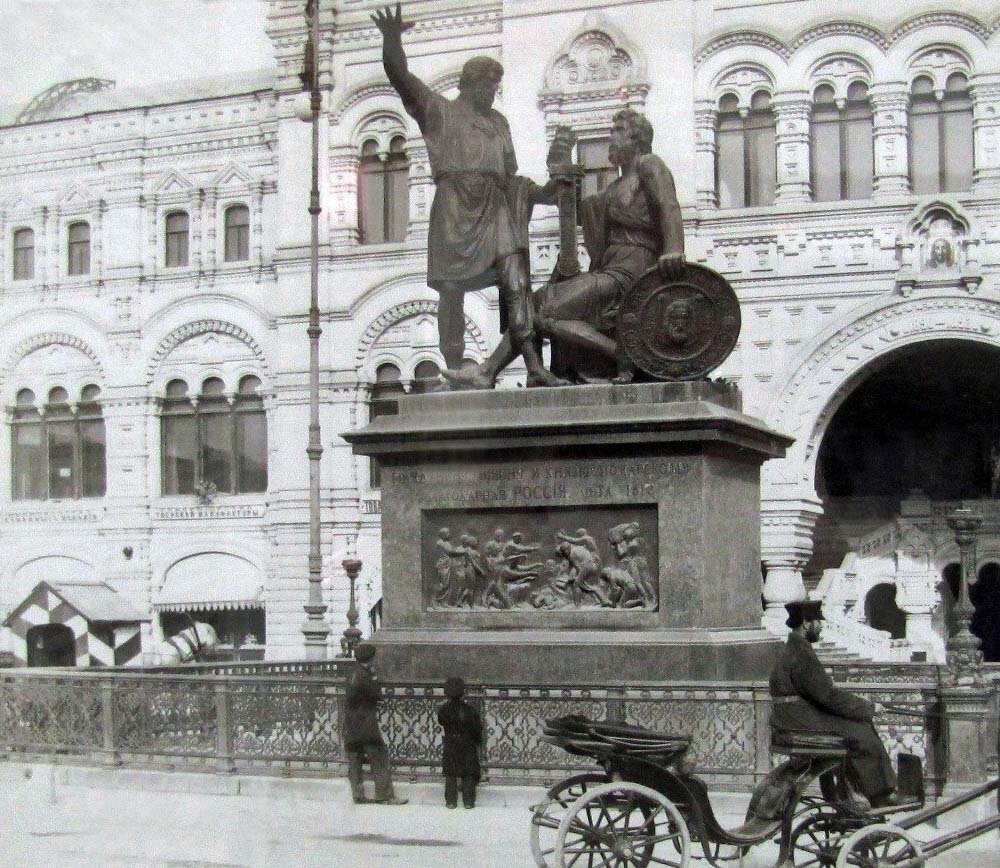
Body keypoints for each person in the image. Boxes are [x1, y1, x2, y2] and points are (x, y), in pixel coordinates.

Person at [372, 4, 563, 387]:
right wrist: (391, 40)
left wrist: (543, 194)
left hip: (494, 207)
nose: (493, 93)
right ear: (469, 84)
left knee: (517, 282)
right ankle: (455, 367)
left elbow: (511, 179)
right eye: (488, 86)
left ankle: (534, 367)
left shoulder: (499, 123)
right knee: (451, 290)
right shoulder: (438, 111)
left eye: (496, 87)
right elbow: (401, 77)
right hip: (454, 209)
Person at [445, 108, 685, 388]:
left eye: (618, 130)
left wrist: (674, 248)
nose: (611, 137)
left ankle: (621, 354)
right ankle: (495, 372)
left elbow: (668, 205)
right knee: (531, 304)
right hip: (611, 268)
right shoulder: (614, 187)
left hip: (632, 271)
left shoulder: (650, 165)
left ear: (638, 138)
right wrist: (560, 168)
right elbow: (577, 212)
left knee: (542, 309)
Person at [769, 600, 899, 808]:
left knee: (858, 727)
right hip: (800, 720)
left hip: (792, 717)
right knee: (862, 735)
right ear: (806, 623)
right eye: (818, 621)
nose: (821, 626)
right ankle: (880, 795)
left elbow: (822, 694)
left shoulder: (792, 649)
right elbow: (828, 696)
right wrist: (868, 708)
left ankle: (850, 792)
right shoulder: (801, 653)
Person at [343, 642, 408, 805]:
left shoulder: (352, 673)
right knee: (379, 756)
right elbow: (375, 695)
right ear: (371, 658)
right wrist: (375, 678)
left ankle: (357, 795)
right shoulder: (365, 675)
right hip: (366, 721)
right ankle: (385, 795)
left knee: (355, 758)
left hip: (350, 722)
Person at [437, 676, 483, 809]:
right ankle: (468, 801)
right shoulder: (469, 710)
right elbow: (477, 728)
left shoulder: (444, 710)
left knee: (450, 773)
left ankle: (451, 801)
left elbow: (441, 721)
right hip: (467, 743)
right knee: (468, 773)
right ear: (463, 692)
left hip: (450, 742)